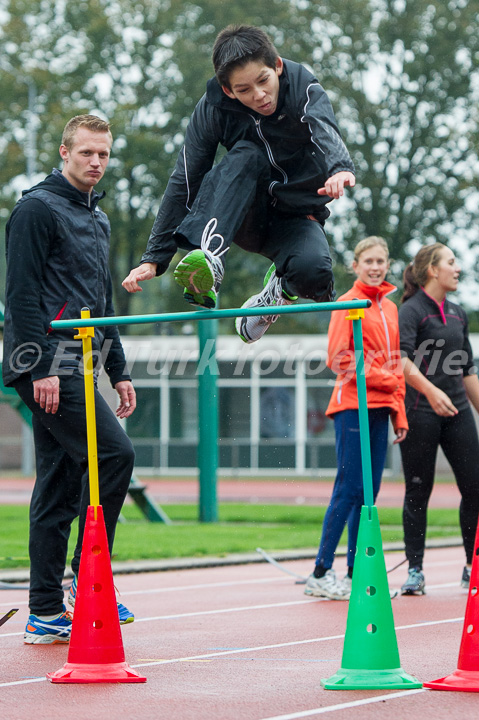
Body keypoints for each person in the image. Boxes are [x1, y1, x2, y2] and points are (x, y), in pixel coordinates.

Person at [122, 24, 355, 343]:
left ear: (277, 66)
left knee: (313, 273)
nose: (259, 96)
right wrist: (154, 257)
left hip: (297, 216)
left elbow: (323, 126)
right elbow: (186, 177)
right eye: (244, 90)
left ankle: (276, 294)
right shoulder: (214, 108)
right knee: (247, 154)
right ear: (229, 90)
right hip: (242, 213)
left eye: (263, 81)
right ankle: (212, 259)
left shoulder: (303, 86)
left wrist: (339, 167)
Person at [3, 114, 137, 643]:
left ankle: (43, 611)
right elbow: (21, 296)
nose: (96, 162)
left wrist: (119, 371)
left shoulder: (97, 219)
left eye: (103, 154)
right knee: (116, 454)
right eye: (86, 153)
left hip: (80, 360)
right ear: (64, 152)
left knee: (58, 484)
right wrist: (39, 365)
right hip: (45, 360)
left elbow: (101, 305)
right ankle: (87, 576)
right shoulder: (37, 209)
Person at [304, 237, 408, 599]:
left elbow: (394, 361)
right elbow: (339, 359)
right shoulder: (348, 304)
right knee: (348, 489)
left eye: (381, 260)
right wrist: (387, 379)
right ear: (356, 265)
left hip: (382, 409)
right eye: (369, 261)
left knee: (369, 494)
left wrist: (400, 412)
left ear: (388, 264)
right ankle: (320, 572)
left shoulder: (390, 309)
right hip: (352, 405)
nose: (375, 267)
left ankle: (353, 574)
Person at [398, 243, 479, 596]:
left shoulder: (459, 314)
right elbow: (400, 363)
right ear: (433, 270)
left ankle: (471, 567)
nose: (457, 268)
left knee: (475, 488)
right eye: (451, 262)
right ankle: (415, 570)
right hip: (420, 412)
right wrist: (431, 392)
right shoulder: (411, 311)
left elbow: (467, 371)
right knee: (418, 491)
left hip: (458, 412)